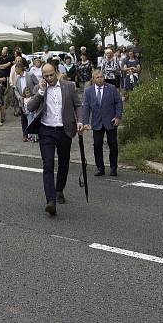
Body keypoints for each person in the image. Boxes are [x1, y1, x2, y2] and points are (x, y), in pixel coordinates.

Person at [26, 64, 82, 216]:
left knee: (64, 162)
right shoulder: (39, 88)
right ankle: (50, 200)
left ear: (56, 72)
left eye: (51, 75)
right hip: (46, 131)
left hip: (64, 130)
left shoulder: (69, 86)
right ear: (42, 76)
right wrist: (41, 92)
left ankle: (59, 189)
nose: (49, 78)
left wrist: (80, 121)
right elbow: (30, 108)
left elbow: (78, 105)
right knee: (48, 164)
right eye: (46, 76)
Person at [80, 69, 123, 177]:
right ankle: (100, 168)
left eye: (101, 77)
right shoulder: (88, 91)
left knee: (113, 145)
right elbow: (85, 107)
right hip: (97, 122)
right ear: (93, 79)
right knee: (97, 145)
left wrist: (118, 116)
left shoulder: (111, 88)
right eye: (98, 77)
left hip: (111, 121)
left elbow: (118, 102)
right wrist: (85, 122)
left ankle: (113, 167)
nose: (100, 79)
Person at [12, 61, 38, 141]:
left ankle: (34, 135)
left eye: (16, 69)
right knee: (23, 119)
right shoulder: (17, 79)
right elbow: (16, 90)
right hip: (22, 101)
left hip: (31, 100)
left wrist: (34, 96)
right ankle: (25, 134)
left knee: (33, 117)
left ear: (20, 68)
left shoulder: (30, 75)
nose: (15, 71)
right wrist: (19, 97)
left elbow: (37, 85)